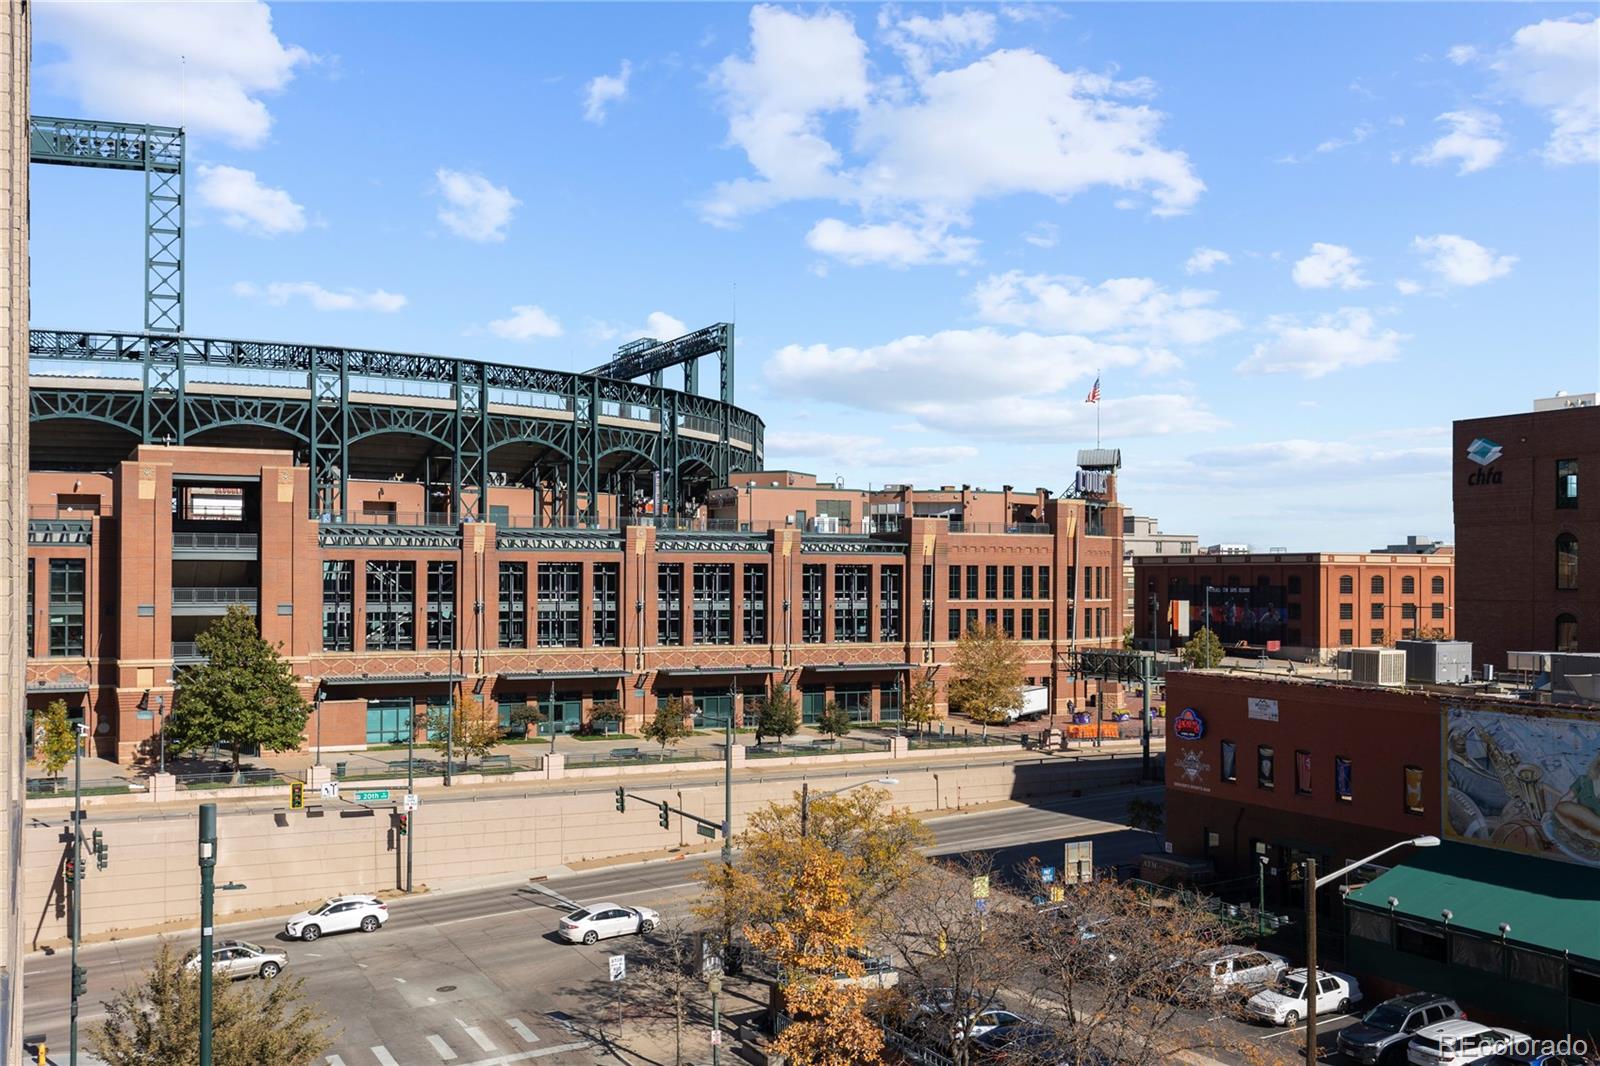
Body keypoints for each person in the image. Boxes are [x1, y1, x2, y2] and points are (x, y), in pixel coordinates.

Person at [1554, 751, 1600, 839]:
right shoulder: (1583, 781)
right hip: (1577, 822)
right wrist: (1553, 813)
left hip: (1597, 832)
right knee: (1561, 807)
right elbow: (1565, 801)